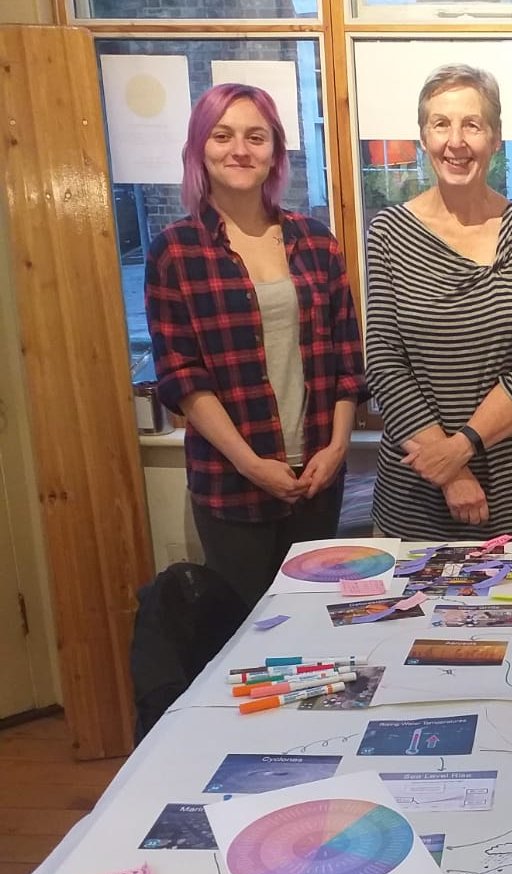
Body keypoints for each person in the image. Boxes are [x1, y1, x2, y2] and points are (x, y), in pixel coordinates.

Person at [145, 83, 367, 608]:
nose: (240, 149)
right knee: (244, 633)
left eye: (255, 137)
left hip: (316, 478)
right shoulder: (175, 250)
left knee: (317, 622)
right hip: (232, 485)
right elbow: (182, 376)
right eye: (222, 135)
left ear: (275, 153)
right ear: (200, 148)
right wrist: (250, 463)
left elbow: (346, 358)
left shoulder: (315, 241)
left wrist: (337, 450)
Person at [367, 64, 512, 540]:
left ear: (495, 139)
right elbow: (385, 363)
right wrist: (449, 471)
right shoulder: (388, 234)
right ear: (423, 136)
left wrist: (462, 448)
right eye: (441, 124)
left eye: (472, 125)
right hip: (415, 488)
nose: (456, 141)